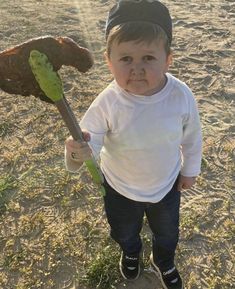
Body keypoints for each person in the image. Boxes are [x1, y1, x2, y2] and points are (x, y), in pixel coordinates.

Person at [64, 1, 202, 288]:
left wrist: (190, 170)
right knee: (125, 231)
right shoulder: (108, 101)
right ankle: (130, 254)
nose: (137, 69)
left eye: (148, 58)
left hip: (166, 186)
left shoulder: (180, 95)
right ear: (109, 61)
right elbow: (89, 141)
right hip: (119, 188)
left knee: (167, 233)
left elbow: (192, 136)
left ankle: (163, 260)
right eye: (126, 59)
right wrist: (78, 153)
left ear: (168, 59)